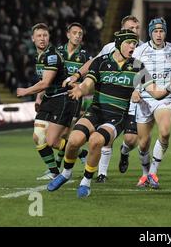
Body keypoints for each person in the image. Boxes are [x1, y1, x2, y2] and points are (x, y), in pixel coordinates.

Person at [47, 29, 171, 198]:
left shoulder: (138, 66)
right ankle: (66, 173)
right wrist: (80, 90)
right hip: (96, 111)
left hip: (117, 117)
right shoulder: (100, 62)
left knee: (96, 141)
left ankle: (86, 182)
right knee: (73, 141)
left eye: (135, 43)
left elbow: (157, 93)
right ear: (119, 44)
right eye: (129, 43)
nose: (133, 46)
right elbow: (88, 83)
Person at [64, 15, 141, 183]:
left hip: (135, 103)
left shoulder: (143, 50)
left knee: (131, 140)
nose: (134, 32)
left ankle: (125, 153)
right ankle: (102, 173)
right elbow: (94, 64)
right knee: (100, 138)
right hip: (108, 104)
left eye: (136, 29)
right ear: (121, 32)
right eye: (130, 29)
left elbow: (147, 78)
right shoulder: (109, 49)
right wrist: (77, 76)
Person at [133, 17, 171, 188]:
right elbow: (135, 73)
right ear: (150, 33)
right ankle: (144, 174)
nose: (159, 34)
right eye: (155, 31)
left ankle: (152, 173)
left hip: (164, 98)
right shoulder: (140, 51)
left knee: (164, 133)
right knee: (143, 143)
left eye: (161, 31)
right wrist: (135, 91)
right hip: (144, 98)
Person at [17, 23, 76, 180]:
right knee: (38, 137)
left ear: (49, 37)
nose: (42, 39)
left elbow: (45, 83)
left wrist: (25, 91)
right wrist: (38, 97)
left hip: (62, 99)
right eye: (39, 36)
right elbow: (43, 82)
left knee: (51, 141)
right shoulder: (39, 56)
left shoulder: (52, 56)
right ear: (33, 38)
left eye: (45, 35)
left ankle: (78, 151)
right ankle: (55, 172)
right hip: (49, 100)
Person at [55, 22, 92, 168]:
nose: (77, 36)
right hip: (56, 97)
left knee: (64, 133)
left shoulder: (85, 56)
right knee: (55, 135)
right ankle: (82, 154)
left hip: (73, 98)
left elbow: (90, 78)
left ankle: (57, 167)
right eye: (74, 33)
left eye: (80, 34)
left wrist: (80, 86)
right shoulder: (57, 52)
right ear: (68, 34)